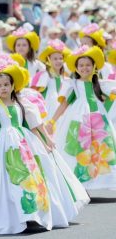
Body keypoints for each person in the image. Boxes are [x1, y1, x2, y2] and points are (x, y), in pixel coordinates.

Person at [0, 55, 88, 234]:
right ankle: (10, 215)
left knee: (28, 176)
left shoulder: (23, 104)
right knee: (1, 178)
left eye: (6, 85)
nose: (3, 88)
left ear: (13, 86)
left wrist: (47, 140)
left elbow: (36, 125)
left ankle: (32, 213)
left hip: (23, 145)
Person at [49, 46, 116, 190]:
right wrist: (52, 120)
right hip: (79, 120)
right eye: (81, 65)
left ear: (94, 67)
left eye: (88, 65)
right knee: (80, 149)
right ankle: (81, 183)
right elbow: (64, 104)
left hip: (98, 120)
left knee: (100, 147)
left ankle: (98, 181)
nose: (84, 68)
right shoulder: (72, 84)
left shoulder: (100, 84)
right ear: (76, 68)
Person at [31, 39, 70, 120]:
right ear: (48, 60)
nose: (58, 61)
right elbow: (36, 92)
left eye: (60, 58)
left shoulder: (64, 76)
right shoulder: (44, 75)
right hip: (48, 105)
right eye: (55, 59)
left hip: (60, 106)